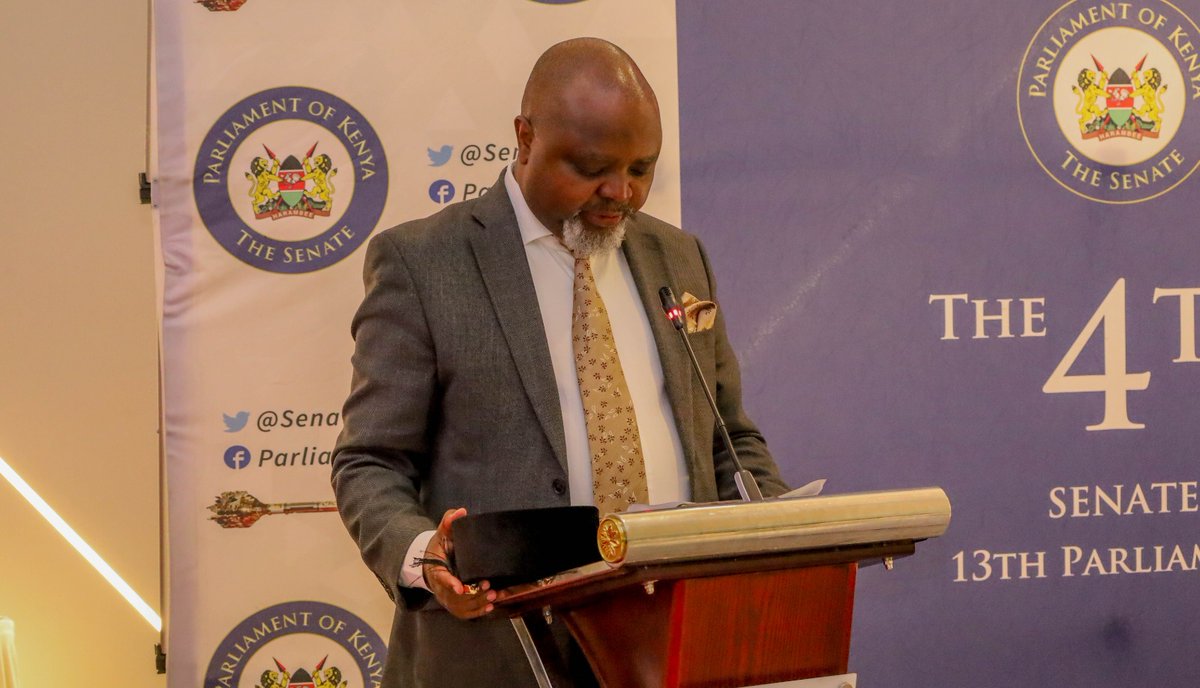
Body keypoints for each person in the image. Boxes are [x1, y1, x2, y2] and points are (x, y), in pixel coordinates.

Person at [332, 37, 788, 687]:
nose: (621, 192)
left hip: (676, 648)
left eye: (641, 169)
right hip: (496, 653)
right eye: (592, 165)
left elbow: (728, 436)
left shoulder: (678, 257)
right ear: (523, 138)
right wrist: (422, 552)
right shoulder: (424, 263)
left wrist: (777, 528)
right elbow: (370, 461)